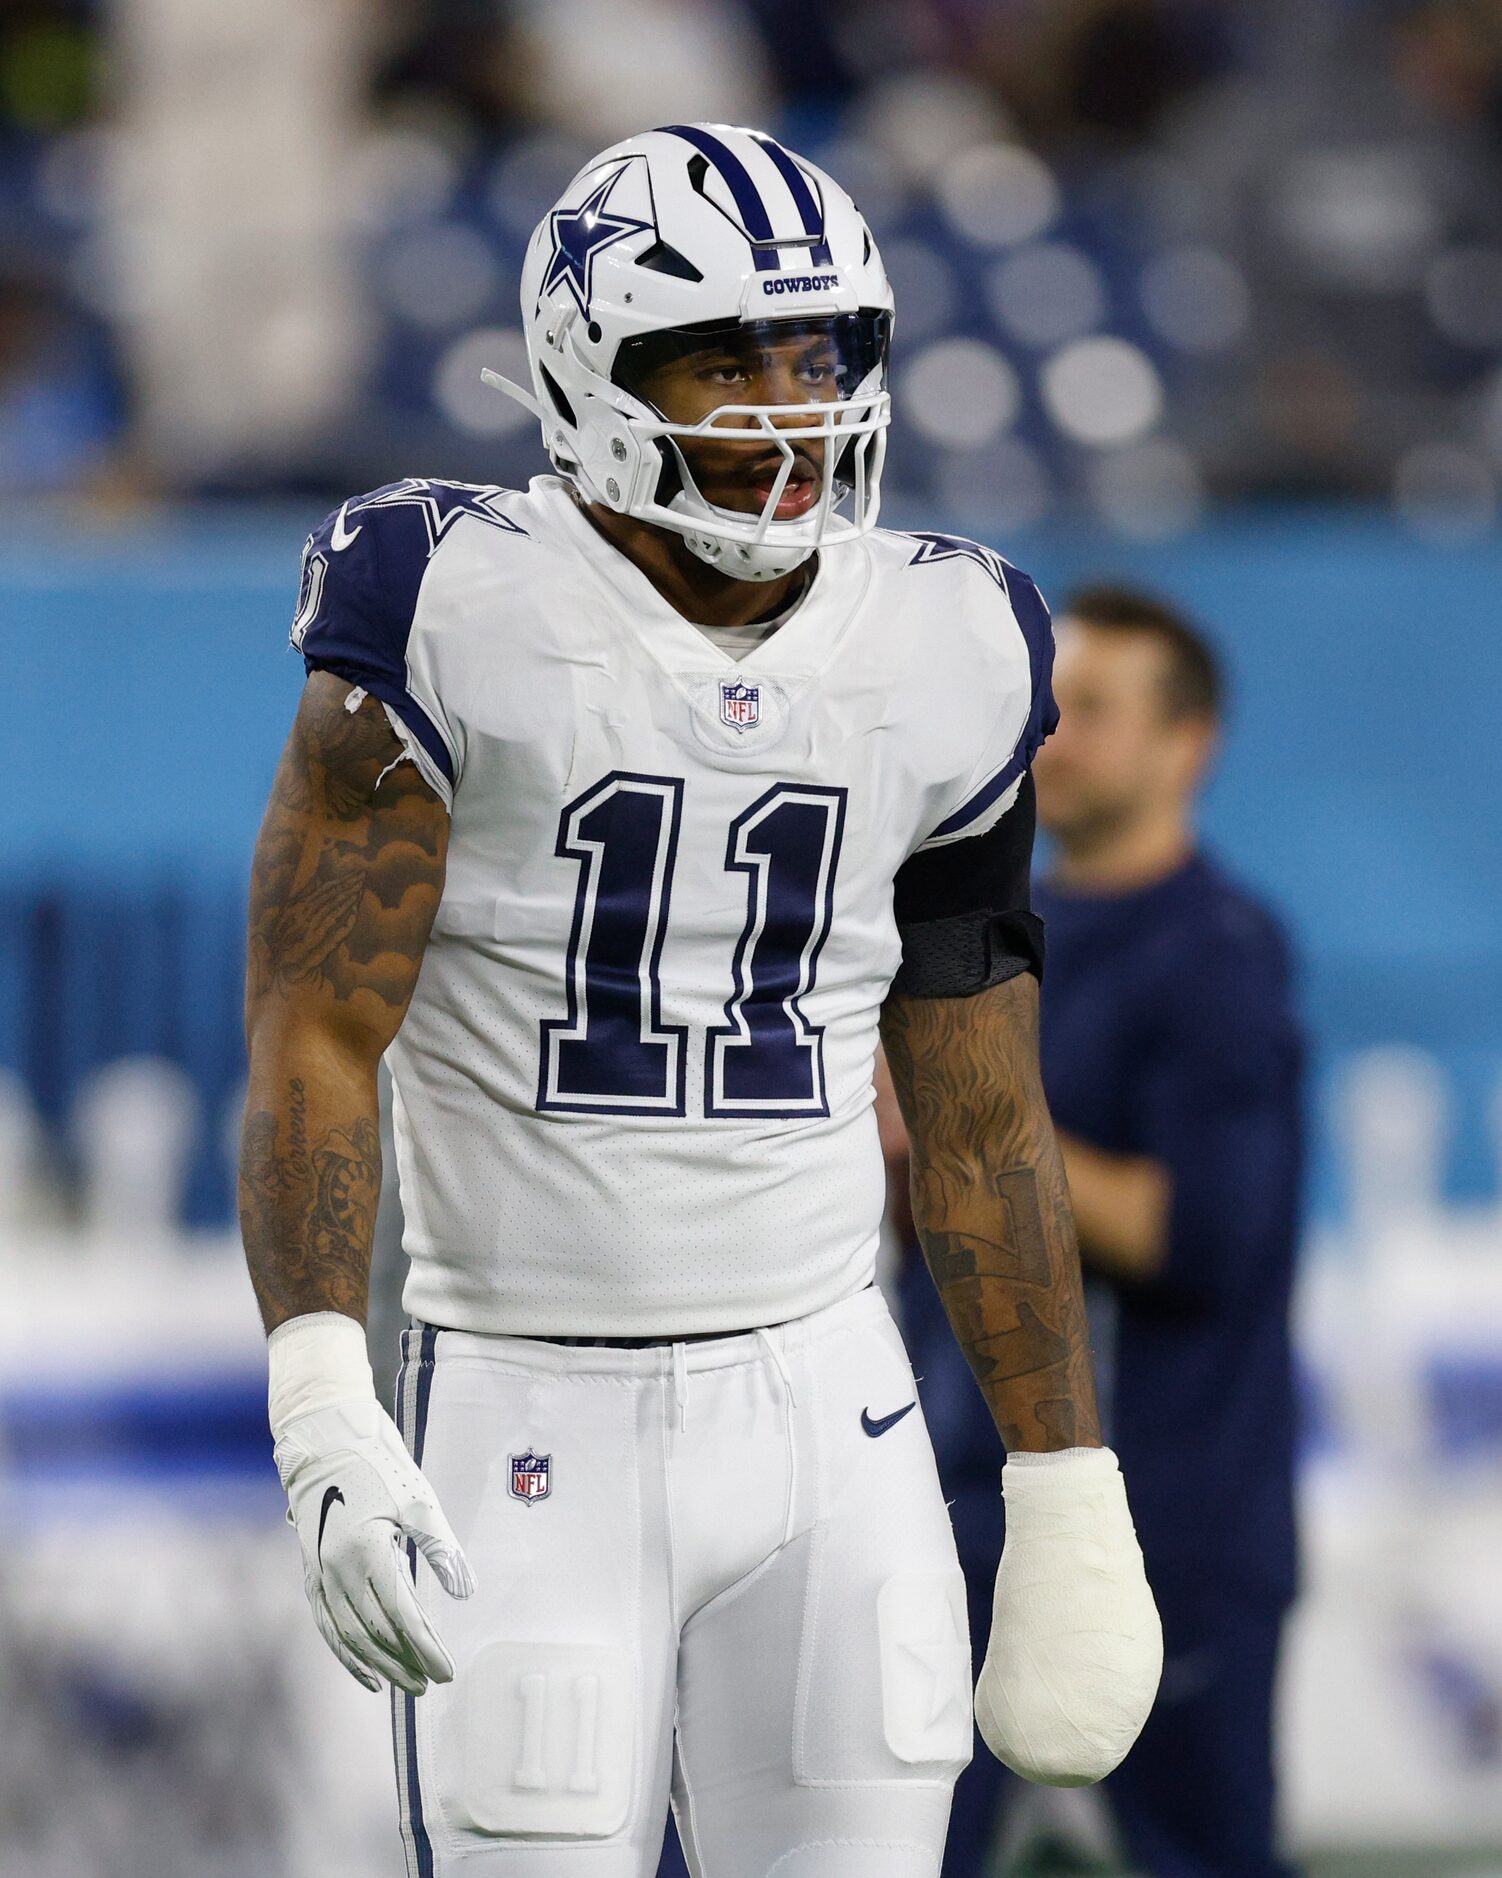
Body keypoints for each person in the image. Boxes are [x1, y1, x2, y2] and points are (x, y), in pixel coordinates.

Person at [237, 126, 1162, 1878]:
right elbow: (316, 1034)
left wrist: (1061, 1478)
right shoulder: (449, 602)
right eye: (722, 356)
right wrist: (321, 1397)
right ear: (590, 366)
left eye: (816, 354)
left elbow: (973, 1107)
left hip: (832, 1405)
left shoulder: (950, 639)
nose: (784, 403)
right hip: (521, 1391)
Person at [897, 584, 1303, 1878]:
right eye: (1046, 707)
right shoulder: (995, 929)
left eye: (1095, 711)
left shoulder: (1216, 953)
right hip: (957, 1505)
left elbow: (1204, 1236)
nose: (1051, 737)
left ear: (1190, 744)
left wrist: (966, 1133)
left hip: (1165, 1517)